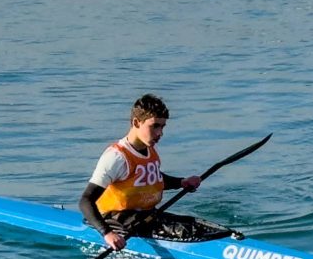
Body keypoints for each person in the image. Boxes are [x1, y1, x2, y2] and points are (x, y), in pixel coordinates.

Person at [79, 94, 228, 250]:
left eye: (162, 127)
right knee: (184, 231)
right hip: (116, 219)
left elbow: (152, 178)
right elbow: (86, 200)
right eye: (155, 126)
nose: (160, 133)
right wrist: (107, 233)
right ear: (136, 122)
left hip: (145, 216)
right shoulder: (116, 157)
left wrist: (182, 182)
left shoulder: (149, 150)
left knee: (194, 225)